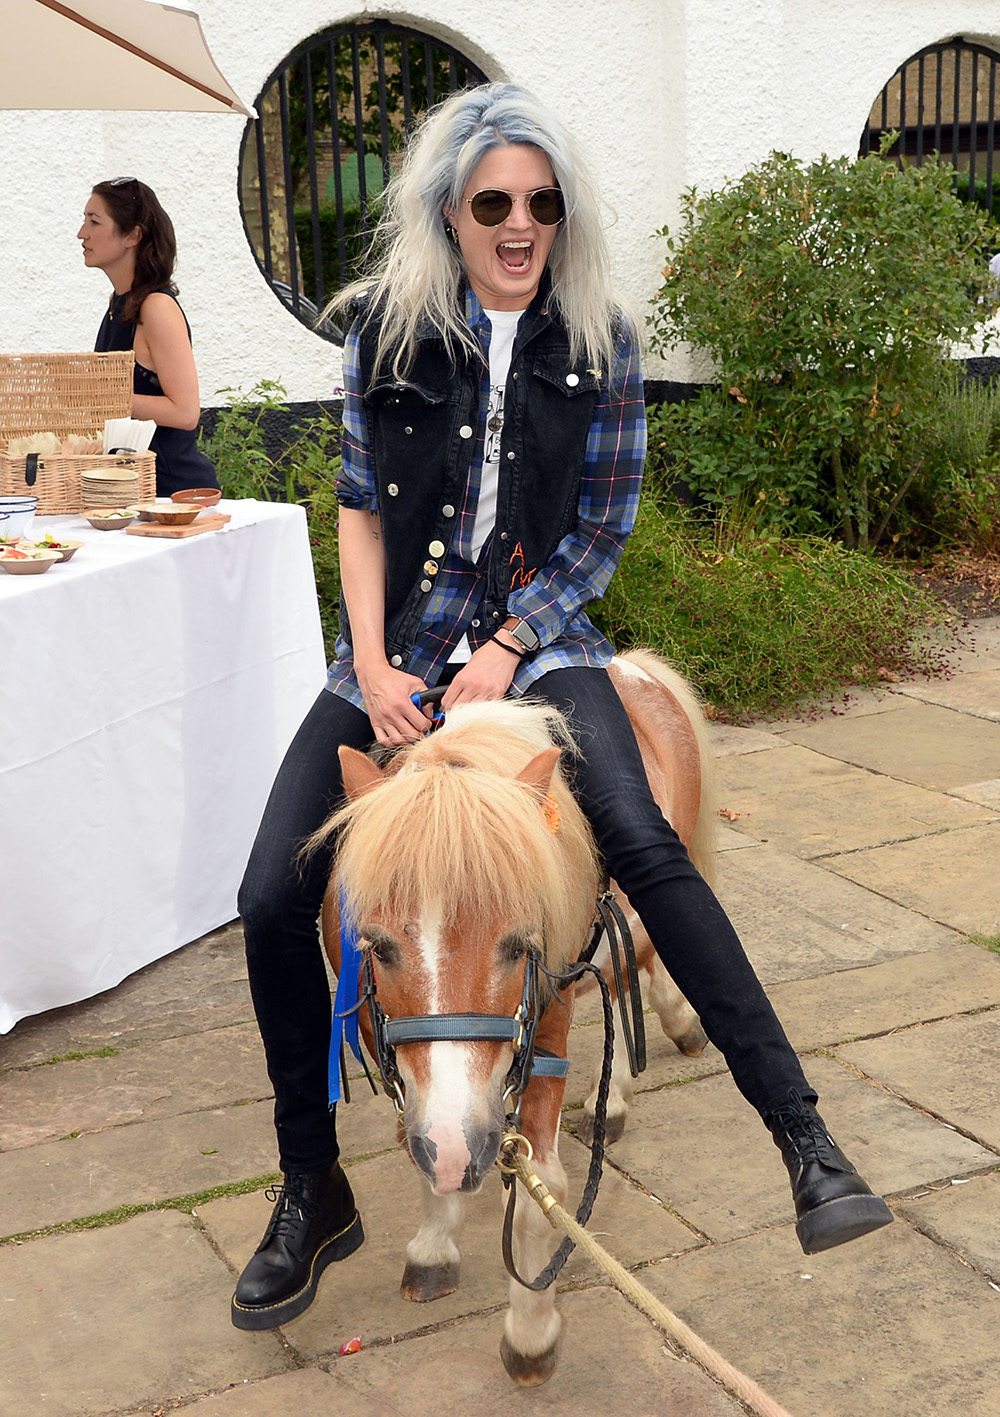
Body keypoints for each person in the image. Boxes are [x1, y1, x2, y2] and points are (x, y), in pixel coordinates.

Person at [233, 84, 892, 1331]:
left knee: (643, 839)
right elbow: (362, 507)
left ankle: (803, 1138)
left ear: (562, 216)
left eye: (542, 203)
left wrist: (510, 644)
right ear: (450, 213)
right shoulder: (387, 331)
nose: (520, 223)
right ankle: (310, 1185)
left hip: (542, 645)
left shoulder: (603, 337)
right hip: (394, 656)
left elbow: (600, 533)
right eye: (494, 203)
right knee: (269, 891)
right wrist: (371, 667)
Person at [79, 178, 218, 497]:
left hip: (175, 496)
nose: (82, 233)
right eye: (84, 219)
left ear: (133, 235)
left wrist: (100, 400)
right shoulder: (118, 304)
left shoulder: (156, 308)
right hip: (132, 491)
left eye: (94, 221)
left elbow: (185, 413)